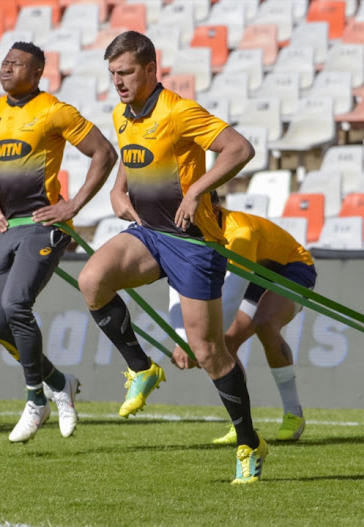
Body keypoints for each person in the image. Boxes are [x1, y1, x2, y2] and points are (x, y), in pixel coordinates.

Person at [77, 31, 265, 484]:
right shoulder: (123, 113)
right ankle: (142, 369)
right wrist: (118, 188)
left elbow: (240, 148)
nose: (117, 82)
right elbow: (131, 154)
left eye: (124, 73)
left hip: (193, 242)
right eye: (112, 74)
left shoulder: (179, 111)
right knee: (91, 281)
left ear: (150, 70)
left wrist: (198, 188)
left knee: (208, 353)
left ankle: (249, 442)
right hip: (149, 233)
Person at [0, 41, 118, 443]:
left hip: (42, 224)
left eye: (17, 65)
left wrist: (73, 205)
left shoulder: (54, 110)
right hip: (8, 227)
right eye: (4, 62)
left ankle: (36, 398)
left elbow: (104, 153)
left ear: (37, 74)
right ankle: (58, 382)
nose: (7, 69)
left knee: (16, 303)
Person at [169, 191, 316, 444]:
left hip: (291, 266)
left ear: (214, 208)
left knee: (266, 324)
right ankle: (242, 424)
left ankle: (294, 414)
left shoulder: (241, 234)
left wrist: (199, 344)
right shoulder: (190, 231)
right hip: (257, 270)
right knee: (226, 343)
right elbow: (182, 284)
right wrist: (187, 340)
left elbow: (230, 296)